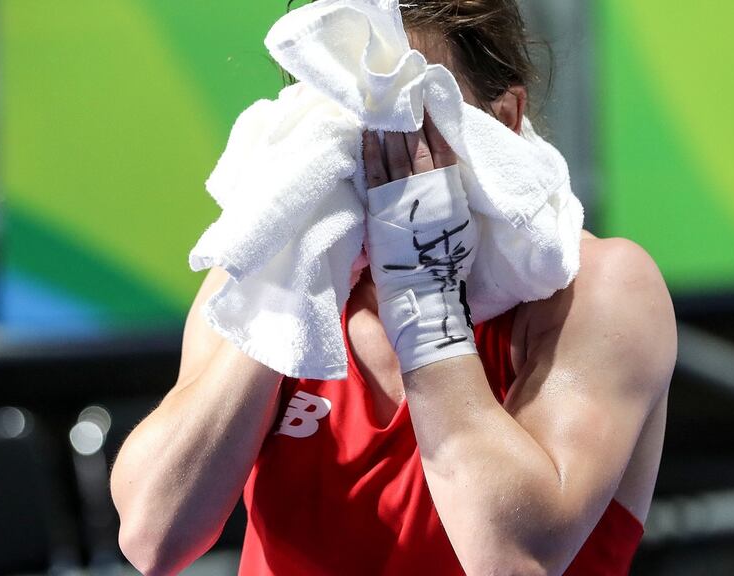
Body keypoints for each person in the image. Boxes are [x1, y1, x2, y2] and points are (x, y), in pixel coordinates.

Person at [109, 1, 676, 574]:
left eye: (406, 115)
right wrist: (288, 282)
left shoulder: (598, 288)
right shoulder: (271, 277)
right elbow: (153, 537)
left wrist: (425, 290)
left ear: (503, 119)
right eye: (338, 109)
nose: (367, 147)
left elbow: (515, 560)